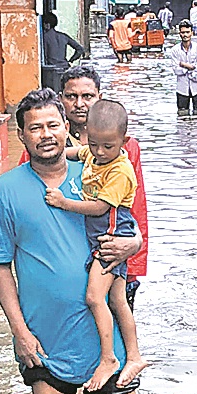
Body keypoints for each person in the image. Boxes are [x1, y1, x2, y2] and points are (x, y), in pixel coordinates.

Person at [0, 88, 143, 394]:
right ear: (21, 135)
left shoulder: (98, 171)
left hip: (104, 334)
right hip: (45, 337)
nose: (46, 135)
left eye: (53, 125)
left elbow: (127, 220)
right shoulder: (5, 191)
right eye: (35, 128)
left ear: (66, 127)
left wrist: (135, 243)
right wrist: (20, 332)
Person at [17, 65, 149, 309]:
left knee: (116, 316)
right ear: (61, 99)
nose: (79, 104)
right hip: (61, 263)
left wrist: (134, 251)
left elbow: (135, 209)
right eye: (71, 96)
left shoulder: (125, 150)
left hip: (110, 255)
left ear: (100, 97)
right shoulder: (44, 148)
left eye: (87, 96)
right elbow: (26, 208)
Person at [44, 100, 147, 390]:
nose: (100, 152)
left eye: (108, 147)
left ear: (124, 141)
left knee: (93, 297)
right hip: (102, 235)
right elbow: (75, 152)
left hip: (111, 236)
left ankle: (109, 358)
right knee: (117, 300)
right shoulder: (93, 152)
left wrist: (64, 203)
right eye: (95, 144)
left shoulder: (120, 171)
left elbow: (100, 208)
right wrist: (53, 155)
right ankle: (135, 356)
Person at [167, 19, 197, 114]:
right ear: (179, 33)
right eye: (183, 32)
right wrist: (190, 67)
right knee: (182, 115)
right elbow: (176, 70)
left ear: (192, 33)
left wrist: (184, 65)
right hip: (182, 89)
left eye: (187, 32)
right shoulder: (175, 50)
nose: (185, 35)